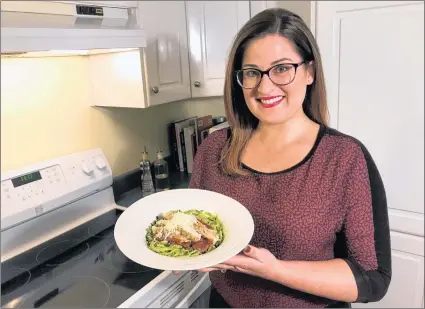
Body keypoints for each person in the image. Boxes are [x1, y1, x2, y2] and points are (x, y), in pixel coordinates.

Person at [186, 7, 392, 308]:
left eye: (282, 68)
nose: (265, 86)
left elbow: (372, 278)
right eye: (252, 72)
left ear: (309, 72)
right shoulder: (214, 149)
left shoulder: (345, 158)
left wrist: (275, 270)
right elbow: (197, 227)